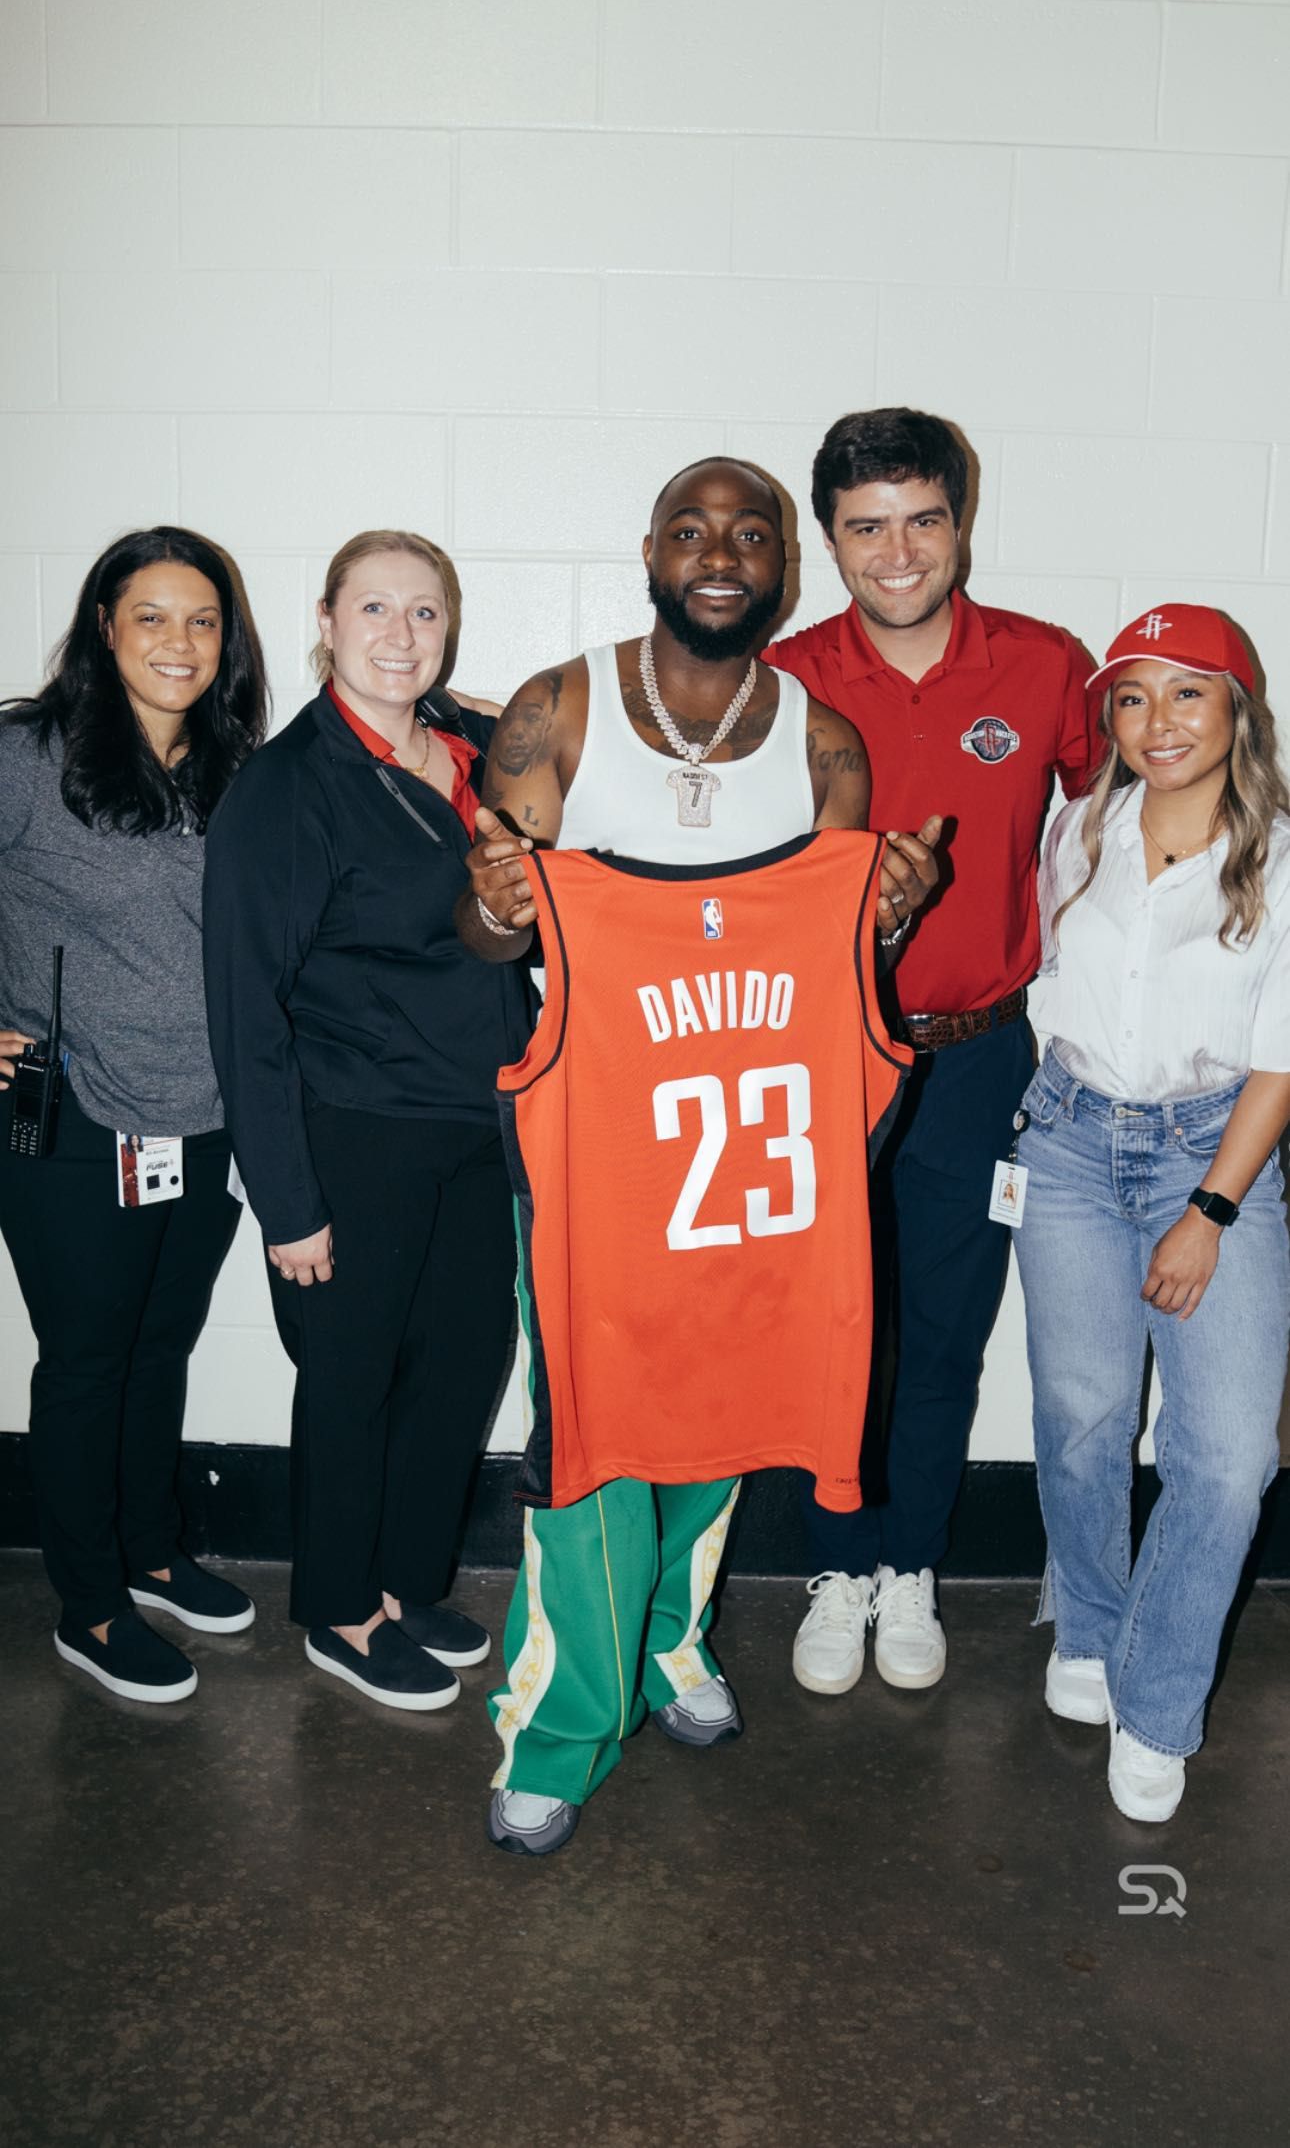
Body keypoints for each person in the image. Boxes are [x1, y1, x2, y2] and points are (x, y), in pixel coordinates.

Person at [459, 455, 942, 1854]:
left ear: (784, 566)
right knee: (595, 1431)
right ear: (650, 552)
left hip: (755, 1148)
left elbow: (843, 961)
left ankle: (673, 1643)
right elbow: (486, 933)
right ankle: (556, 1719)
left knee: (721, 1415)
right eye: (690, 530)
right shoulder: (557, 708)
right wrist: (499, 901)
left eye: (749, 533)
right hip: (600, 1140)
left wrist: (892, 912)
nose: (718, 553)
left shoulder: (823, 743)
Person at [765, 408, 1101, 1697]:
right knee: (832, 1320)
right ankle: (836, 1565)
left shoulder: (1045, 666)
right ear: (830, 540)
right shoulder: (785, 676)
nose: (896, 553)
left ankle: (911, 1565)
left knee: (948, 1324)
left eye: (922, 520)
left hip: (976, 1058)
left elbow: (1112, 818)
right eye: (865, 528)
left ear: (960, 519)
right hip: (817, 1055)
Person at [203, 531, 535, 1712]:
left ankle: (408, 1579)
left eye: (426, 614)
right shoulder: (285, 788)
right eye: (377, 610)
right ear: (328, 621)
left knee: (459, 1366)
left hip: (476, 1121)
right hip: (356, 1127)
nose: (401, 636)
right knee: (353, 1376)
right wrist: (288, 1203)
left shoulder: (475, 753)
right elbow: (245, 1009)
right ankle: (343, 1609)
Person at [1015, 605, 1290, 1822]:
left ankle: (1159, 1699)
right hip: (1071, 1140)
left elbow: (1282, 1061)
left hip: (1211, 1149)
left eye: (1190, 693)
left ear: (1238, 710)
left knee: (1225, 1456)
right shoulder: (1079, 829)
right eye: (1133, 697)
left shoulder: (1281, 855)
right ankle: (1090, 1628)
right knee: (1081, 1417)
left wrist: (1212, 1209)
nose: (1159, 722)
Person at [0, 526, 268, 1702]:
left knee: (162, 1345)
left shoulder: (235, 769)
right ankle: (92, 1603)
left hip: (202, 1117)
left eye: (202, 619)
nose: (178, 641)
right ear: (103, 628)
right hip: (71, 1119)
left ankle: (155, 1548)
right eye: (150, 615)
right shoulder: (24, 755)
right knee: (88, 1361)